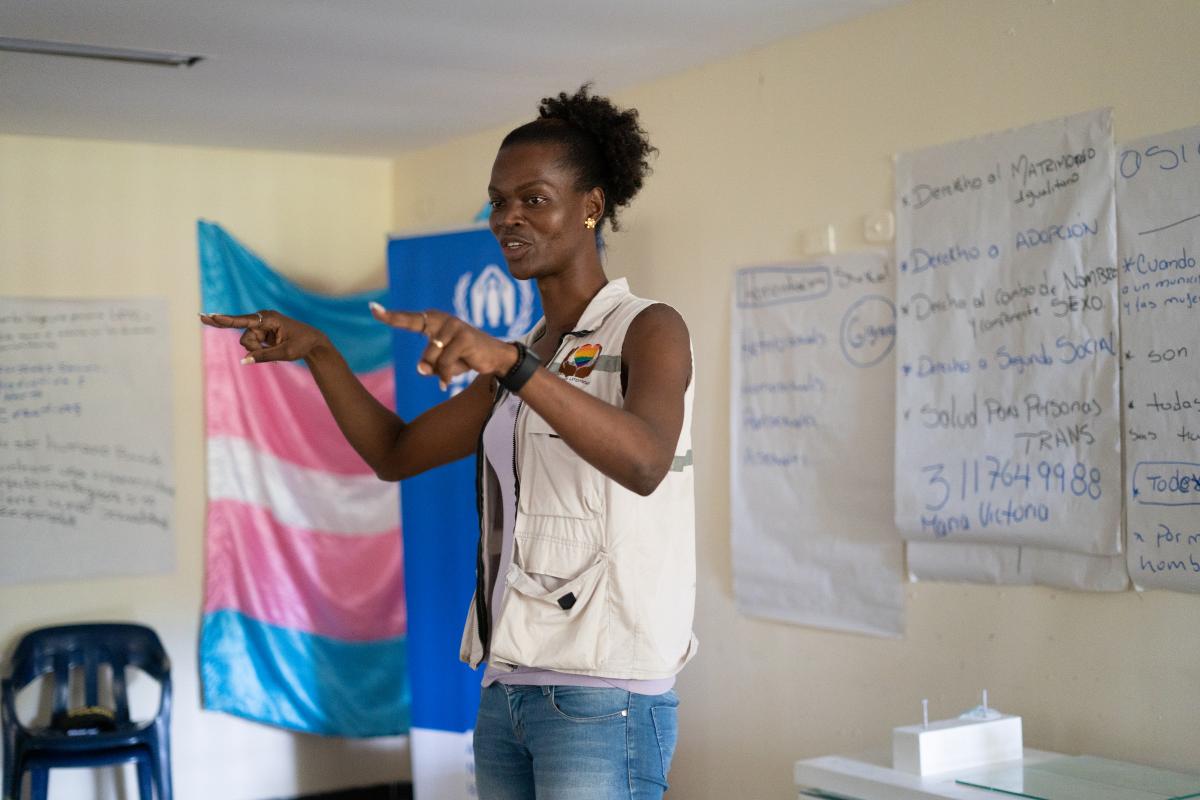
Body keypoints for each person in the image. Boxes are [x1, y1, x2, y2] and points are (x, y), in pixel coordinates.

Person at [200, 85, 697, 800]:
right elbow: (395, 453)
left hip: (604, 697)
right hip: (506, 691)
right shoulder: (526, 355)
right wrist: (321, 352)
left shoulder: (648, 329)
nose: (508, 218)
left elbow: (646, 461)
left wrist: (512, 366)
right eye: (498, 201)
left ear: (591, 205)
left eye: (533, 198)